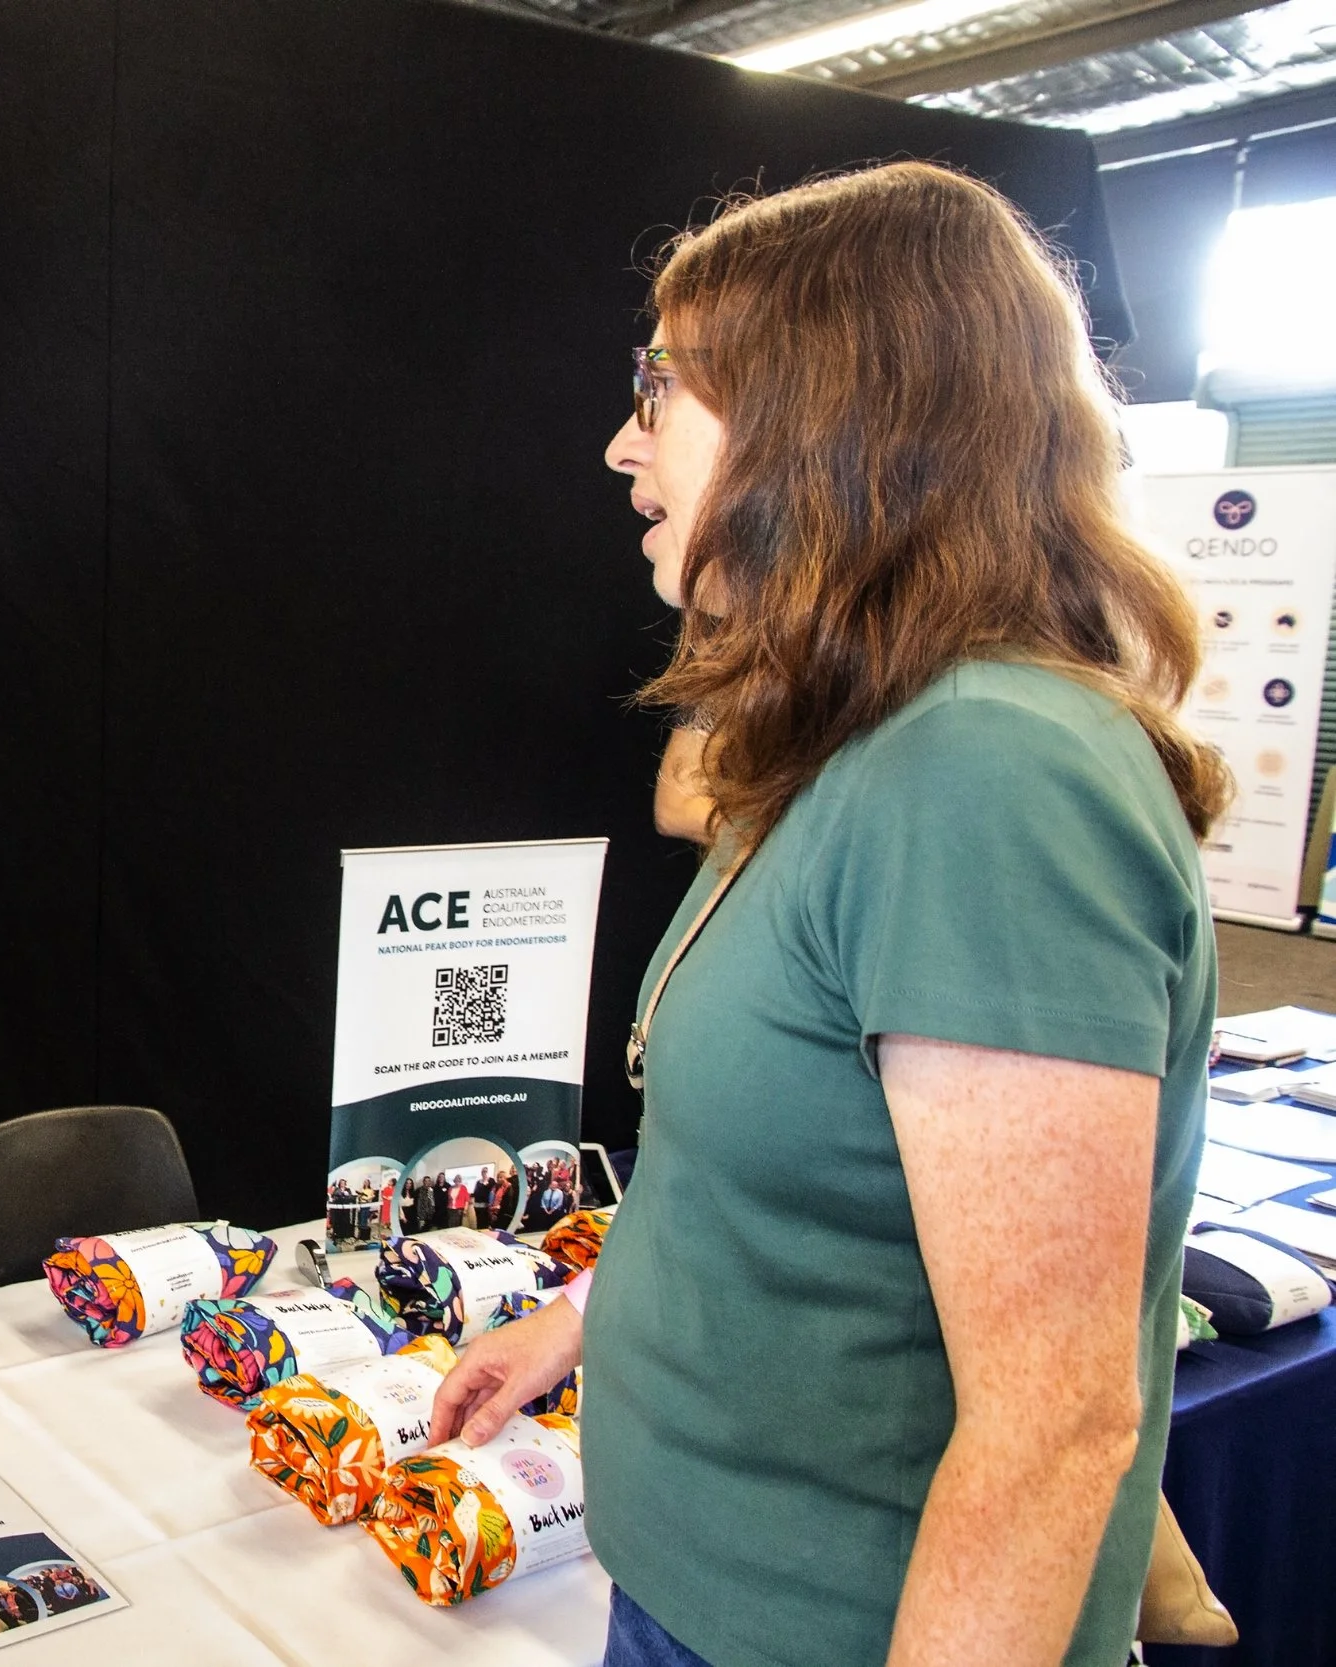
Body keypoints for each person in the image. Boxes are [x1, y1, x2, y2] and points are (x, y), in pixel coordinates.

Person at [429, 163, 1221, 1667]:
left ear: (828, 411)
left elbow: (1054, 1425)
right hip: (693, 1593)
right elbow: (814, 1173)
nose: (621, 442)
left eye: (658, 389)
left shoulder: (987, 770)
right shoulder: (863, 739)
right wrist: (592, 1318)